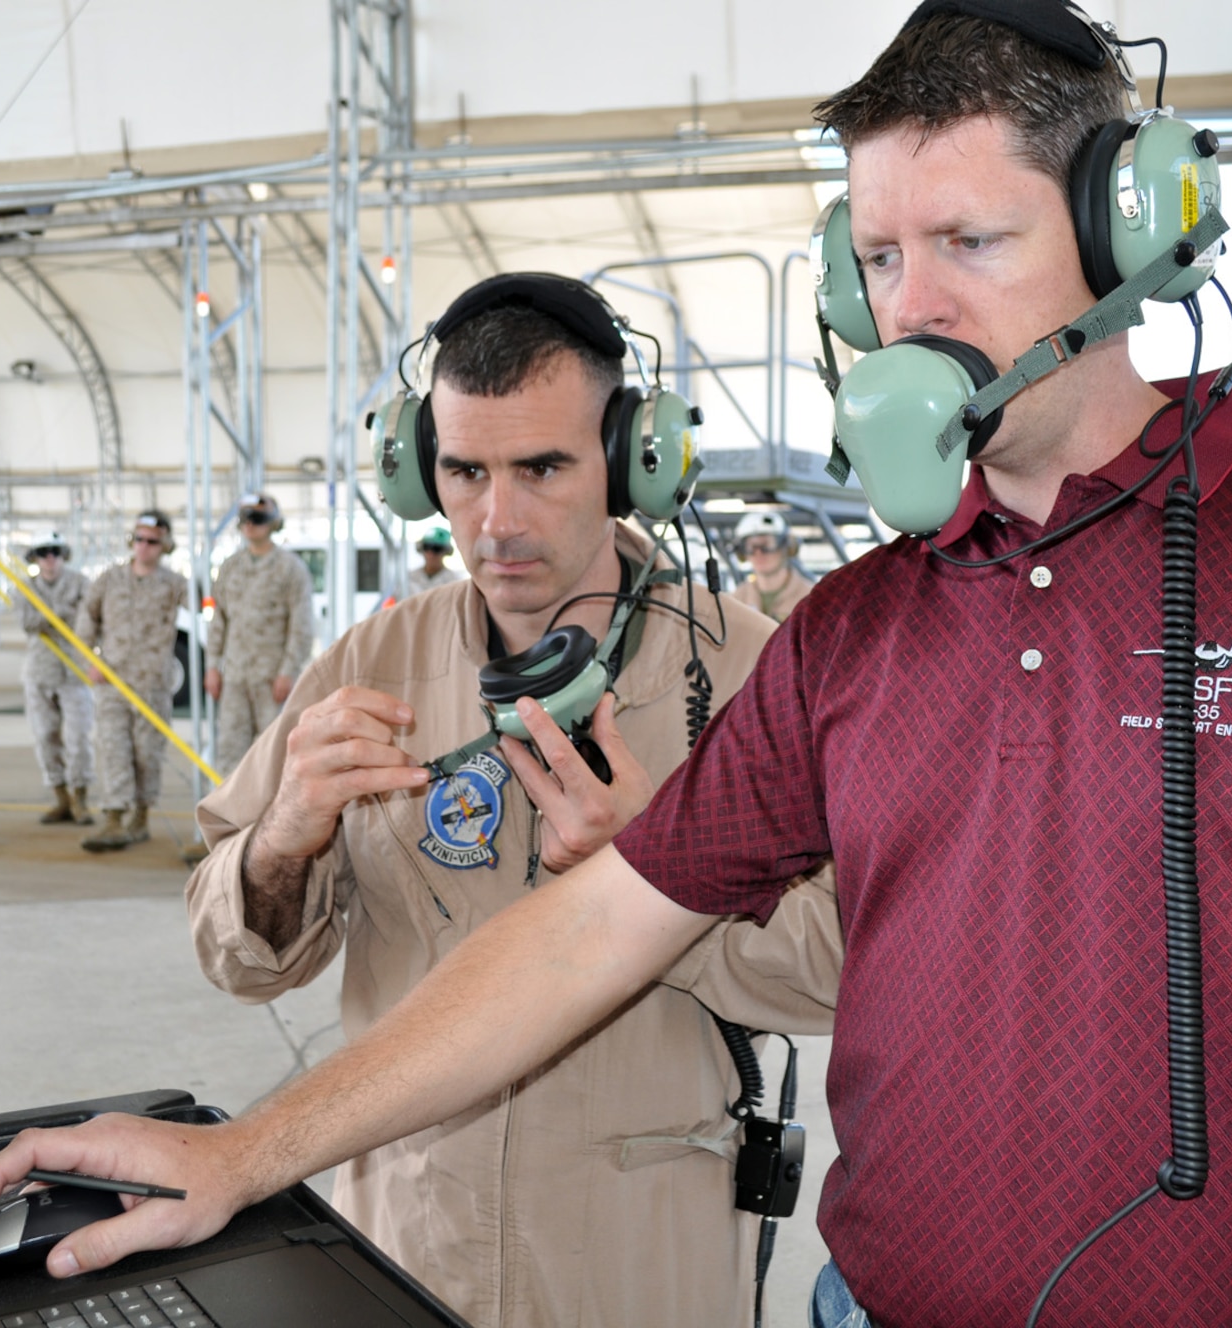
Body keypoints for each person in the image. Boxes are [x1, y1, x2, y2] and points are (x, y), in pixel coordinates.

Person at [0, 6, 1232, 1326]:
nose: (910, 311)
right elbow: (594, 930)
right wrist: (247, 1150)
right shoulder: (856, 628)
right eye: (879, 256)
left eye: (972, 244)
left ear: (1134, 232)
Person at [174, 277, 838, 1328]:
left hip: (638, 1254)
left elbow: (840, 967)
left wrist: (656, 879)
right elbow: (238, 957)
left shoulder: (754, 672)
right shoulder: (368, 665)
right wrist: (283, 836)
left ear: (631, 461)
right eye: (464, 471)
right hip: (408, 1234)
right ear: (417, 471)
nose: (497, 520)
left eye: (542, 467)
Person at [77, 511, 190, 853]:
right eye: (139, 539)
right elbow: (87, 619)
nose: (144, 547)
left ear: (165, 545)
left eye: (152, 541)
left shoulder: (175, 584)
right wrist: (90, 660)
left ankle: (139, 818)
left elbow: (204, 607)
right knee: (113, 748)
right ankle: (113, 818)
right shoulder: (109, 579)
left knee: (147, 753)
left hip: (152, 685)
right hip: (113, 682)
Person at [202, 492, 313, 776]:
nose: (250, 525)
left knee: (275, 755)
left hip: (272, 678)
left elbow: (301, 625)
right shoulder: (230, 566)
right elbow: (219, 621)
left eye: (258, 518)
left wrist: (288, 671)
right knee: (230, 752)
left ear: (274, 522)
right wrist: (212, 666)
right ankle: (230, 806)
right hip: (235, 676)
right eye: (244, 519)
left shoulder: (290, 568)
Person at [18, 532, 95, 827]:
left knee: (78, 738)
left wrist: (47, 616)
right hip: (40, 673)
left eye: (55, 552)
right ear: (35, 558)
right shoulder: (25, 587)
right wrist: (64, 612)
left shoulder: (81, 583)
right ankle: (61, 798)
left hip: (74, 673)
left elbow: (86, 619)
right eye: (43, 553)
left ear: (63, 555)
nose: (50, 558)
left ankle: (80, 798)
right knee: (45, 737)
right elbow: (27, 622)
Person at [727, 510, 813, 624]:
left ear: (787, 547)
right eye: (751, 547)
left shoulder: (811, 598)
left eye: (766, 545)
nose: (758, 553)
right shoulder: (737, 599)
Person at [404, 525, 463, 597]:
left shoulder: (455, 581)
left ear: (446, 551)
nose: (430, 553)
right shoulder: (408, 578)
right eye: (426, 547)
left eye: (436, 549)